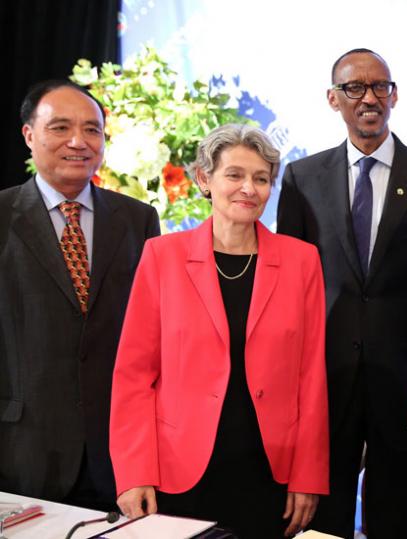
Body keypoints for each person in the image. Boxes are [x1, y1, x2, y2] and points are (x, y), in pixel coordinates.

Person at [277, 48, 407, 539]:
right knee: (323, 515)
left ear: (395, 95)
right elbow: (289, 285)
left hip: (404, 375)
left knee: (395, 513)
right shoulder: (301, 178)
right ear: (333, 99)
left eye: (380, 86)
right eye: (354, 88)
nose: (369, 98)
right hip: (324, 377)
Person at [110, 124, 328, 537]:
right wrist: (134, 471)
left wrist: (309, 475)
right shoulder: (163, 257)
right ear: (203, 179)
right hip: (179, 469)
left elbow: (311, 377)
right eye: (235, 175)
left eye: (261, 179)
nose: (249, 188)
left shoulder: (302, 261)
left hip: (270, 470)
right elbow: (134, 375)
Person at [0, 80, 159, 510]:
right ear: (29, 134)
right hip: (20, 453)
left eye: (92, 130)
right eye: (61, 128)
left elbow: (151, 340)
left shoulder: (138, 220)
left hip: (117, 456)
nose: (78, 141)